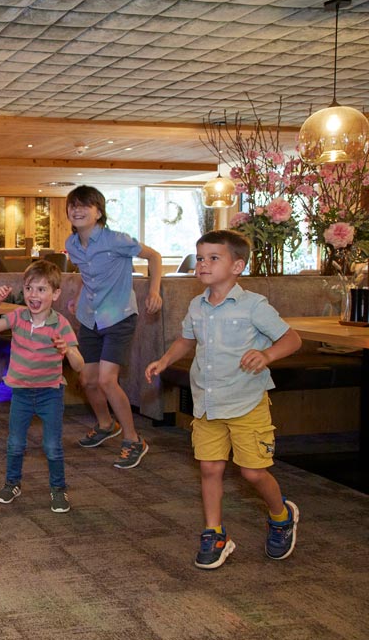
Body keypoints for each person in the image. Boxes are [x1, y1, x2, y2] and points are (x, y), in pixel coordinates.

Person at [145, 230, 302, 569]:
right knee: (210, 468)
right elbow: (186, 340)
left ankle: (281, 515)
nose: (203, 264)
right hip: (208, 401)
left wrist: (267, 354)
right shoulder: (197, 305)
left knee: (253, 473)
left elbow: (292, 339)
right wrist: (164, 361)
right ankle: (214, 533)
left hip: (246, 401)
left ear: (237, 266)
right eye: (200, 257)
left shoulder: (253, 306)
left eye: (213, 258)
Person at [64, 185, 162, 469]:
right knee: (87, 380)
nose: (77, 210)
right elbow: (87, 274)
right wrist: (78, 296)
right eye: (73, 206)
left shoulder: (117, 240)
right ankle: (106, 425)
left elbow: (154, 257)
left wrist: (154, 291)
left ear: (98, 212)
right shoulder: (72, 245)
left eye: (85, 206)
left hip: (118, 316)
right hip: (89, 317)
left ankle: (133, 440)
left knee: (107, 380)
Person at [0, 261, 83, 512]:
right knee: (15, 443)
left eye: (41, 289)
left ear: (55, 294)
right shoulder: (17, 316)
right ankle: (12, 483)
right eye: (29, 288)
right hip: (22, 393)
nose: (33, 295)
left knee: (52, 446)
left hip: (50, 393)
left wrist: (67, 349)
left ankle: (58, 489)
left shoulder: (61, 324)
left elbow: (79, 365)